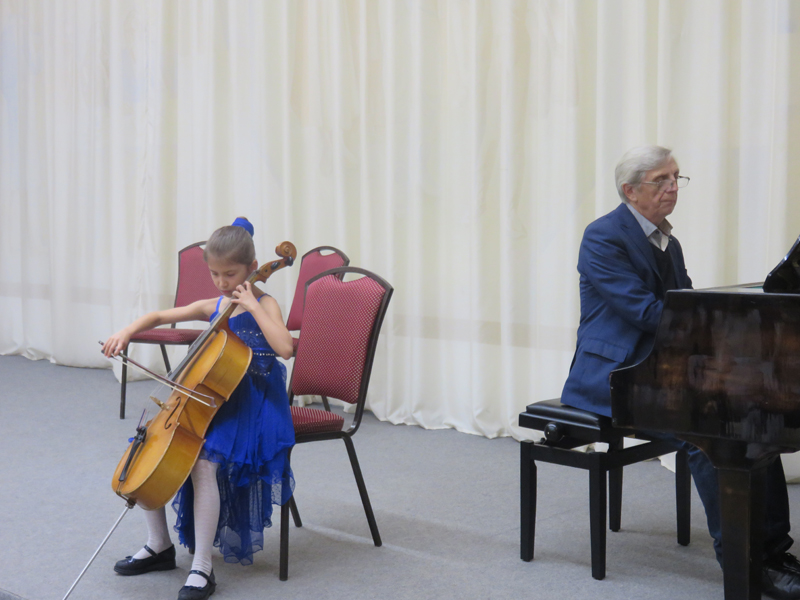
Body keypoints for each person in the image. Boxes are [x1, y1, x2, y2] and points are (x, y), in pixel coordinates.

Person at [560, 146, 800, 599]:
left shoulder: (669, 242)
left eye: (676, 177)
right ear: (631, 190)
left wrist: (727, 329)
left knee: (758, 422)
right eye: (661, 179)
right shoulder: (603, 236)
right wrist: (719, 329)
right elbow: (645, 312)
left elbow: (686, 308)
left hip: (664, 374)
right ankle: (744, 561)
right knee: (705, 439)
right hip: (614, 376)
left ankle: (774, 551)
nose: (673, 187)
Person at [102, 217, 295, 600]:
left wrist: (253, 305)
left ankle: (202, 567)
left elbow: (285, 348)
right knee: (150, 447)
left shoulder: (266, 302)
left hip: (254, 402)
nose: (222, 283)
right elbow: (160, 317)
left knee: (204, 462)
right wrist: (126, 331)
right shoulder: (215, 304)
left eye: (230, 274)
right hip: (213, 396)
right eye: (214, 274)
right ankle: (159, 544)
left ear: (253, 268)